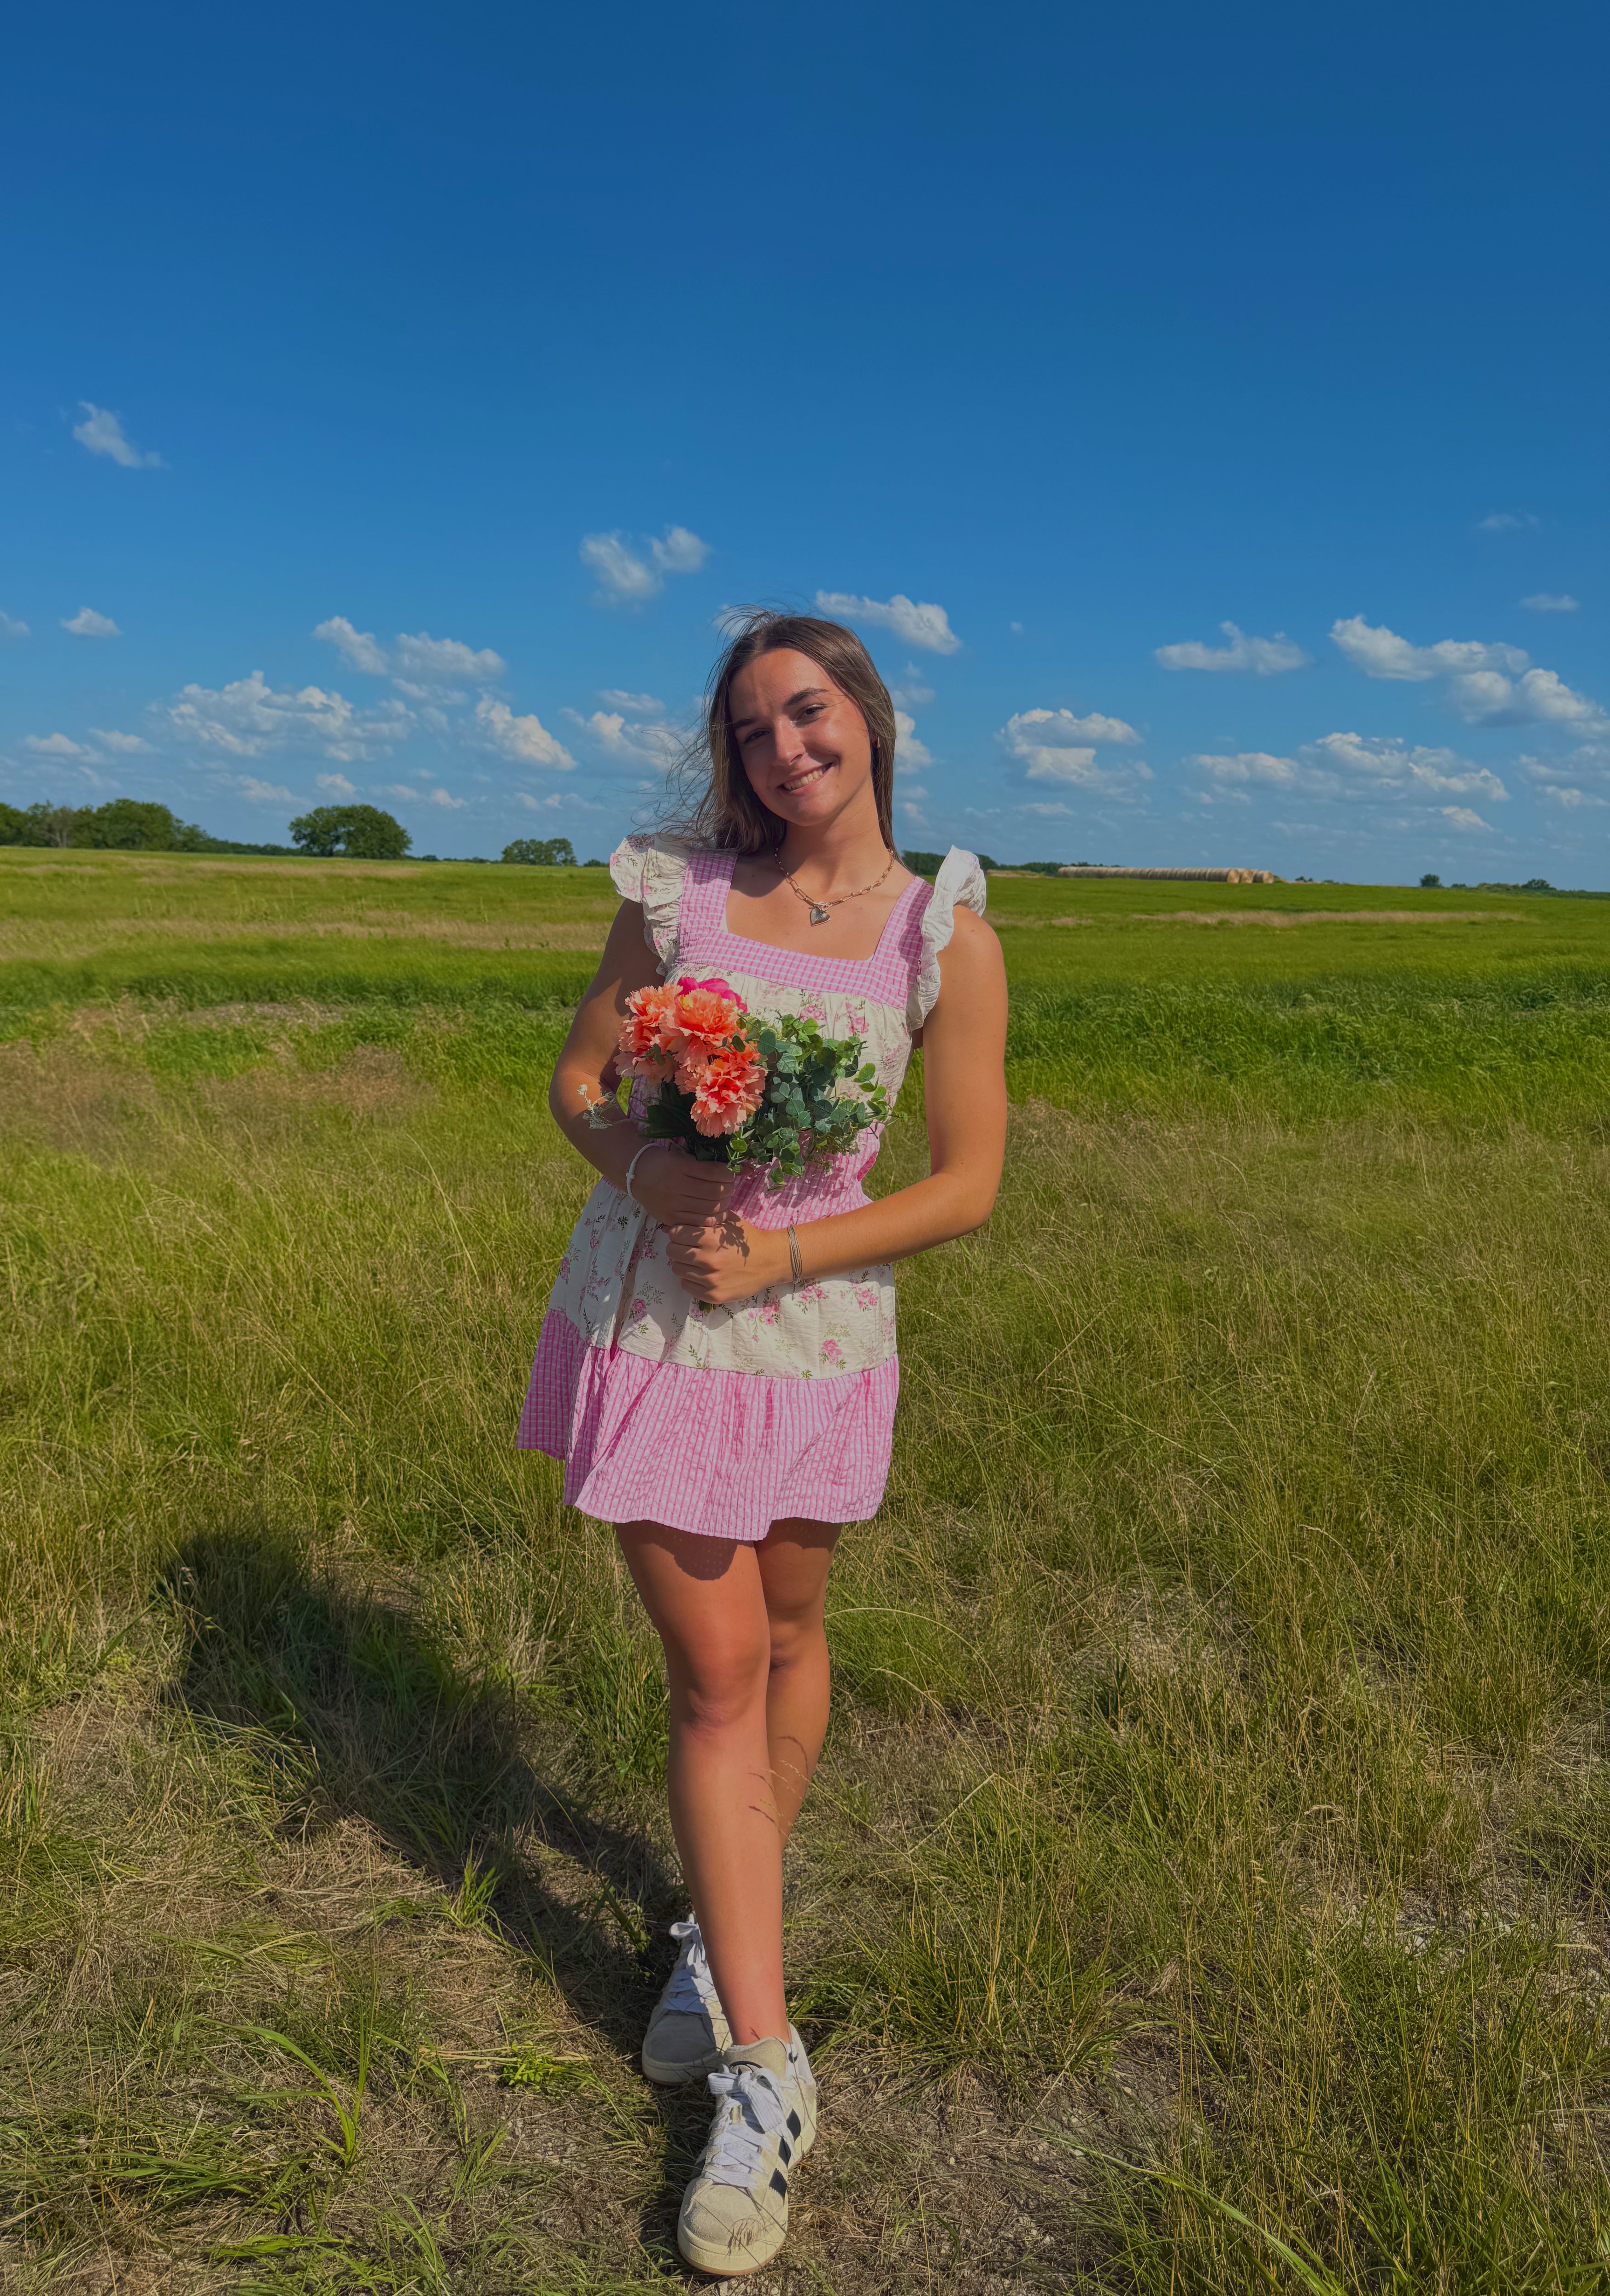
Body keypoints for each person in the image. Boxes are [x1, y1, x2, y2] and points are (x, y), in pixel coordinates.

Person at [517, 610, 1008, 2277]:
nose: (782, 750)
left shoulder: (943, 930)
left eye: (808, 714)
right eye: (749, 730)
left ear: (868, 718)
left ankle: (719, 1956)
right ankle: (765, 2070)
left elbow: (965, 1183)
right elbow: (583, 1079)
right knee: (718, 1672)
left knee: (797, 1635)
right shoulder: (677, 894)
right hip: (660, 1314)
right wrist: (643, 1172)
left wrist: (791, 1250)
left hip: (811, 1323)